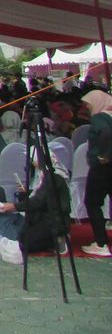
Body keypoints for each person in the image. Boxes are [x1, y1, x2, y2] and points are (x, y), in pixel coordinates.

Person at [0, 146, 71, 263]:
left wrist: (14, 206)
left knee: (25, 242)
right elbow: (40, 197)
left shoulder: (54, 178)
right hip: (45, 218)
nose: (32, 163)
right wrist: (26, 193)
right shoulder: (45, 175)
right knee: (24, 236)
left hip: (54, 220)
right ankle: (53, 240)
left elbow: (38, 201)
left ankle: (57, 239)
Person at [81, 89, 112, 256]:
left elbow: (106, 133)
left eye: (89, 103)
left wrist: (104, 155)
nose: (86, 106)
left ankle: (101, 243)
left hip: (102, 167)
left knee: (92, 203)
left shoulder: (100, 118)